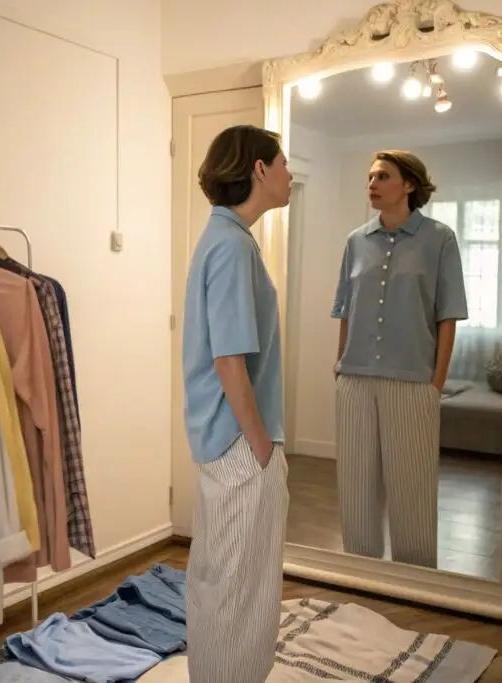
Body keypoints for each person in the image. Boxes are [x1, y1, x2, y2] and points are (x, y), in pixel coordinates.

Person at [182, 124, 292, 683]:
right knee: (238, 587)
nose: (291, 173)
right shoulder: (230, 246)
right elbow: (230, 361)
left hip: (225, 440)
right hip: (239, 444)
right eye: (284, 162)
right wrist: (261, 446)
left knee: (220, 577)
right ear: (259, 170)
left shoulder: (228, 238)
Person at [331, 150, 467, 569]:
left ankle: (416, 581)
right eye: (370, 175)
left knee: (413, 488)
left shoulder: (439, 239)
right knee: (356, 487)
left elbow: (448, 315)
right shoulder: (356, 242)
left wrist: (435, 384)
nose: (372, 183)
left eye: (383, 176)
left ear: (409, 185)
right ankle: (361, 575)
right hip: (354, 380)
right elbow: (345, 310)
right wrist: (339, 367)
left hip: (413, 382)